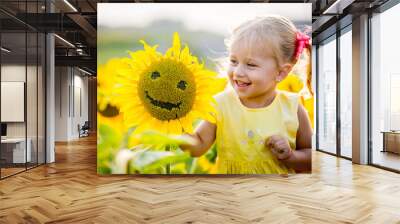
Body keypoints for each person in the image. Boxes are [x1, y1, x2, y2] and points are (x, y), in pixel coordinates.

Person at [181, 15, 312, 174]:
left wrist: (290, 156)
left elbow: (311, 156)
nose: (238, 72)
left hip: (278, 194)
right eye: (234, 61)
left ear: (281, 72)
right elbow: (198, 146)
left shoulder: (293, 108)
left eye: (250, 64)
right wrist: (177, 126)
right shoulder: (221, 104)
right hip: (231, 192)